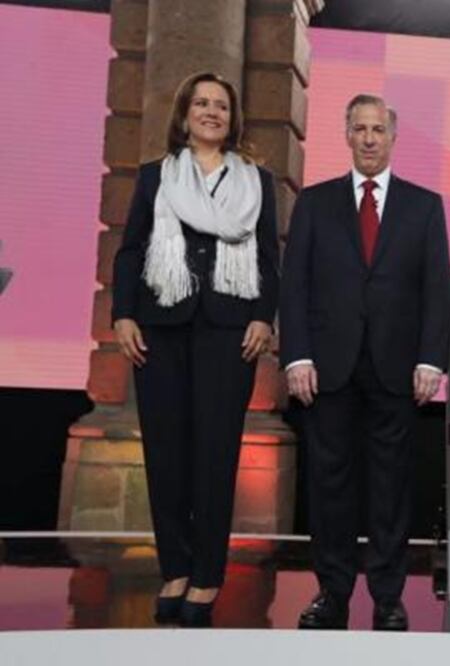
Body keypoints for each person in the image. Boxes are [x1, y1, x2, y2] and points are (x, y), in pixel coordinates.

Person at [112, 72, 279, 627]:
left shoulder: (258, 182)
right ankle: (175, 569)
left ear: (233, 120)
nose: (211, 112)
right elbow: (130, 250)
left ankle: (207, 576)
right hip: (160, 327)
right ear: (184, 115)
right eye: (202, 103)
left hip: (229, 332)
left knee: (214, 455)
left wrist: (262, 316)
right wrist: (123, 315)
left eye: (221, 106)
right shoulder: (156, 177)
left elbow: (269, 262)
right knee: (166, 455)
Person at [280, 94, 450, 631]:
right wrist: (297, 355)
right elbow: (295, 284)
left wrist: (431, 359)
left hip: (397, 368)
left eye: (379, 129)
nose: (371, 138)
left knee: (391, 487)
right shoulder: (314, 201)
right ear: (347, 135)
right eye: (361, 128)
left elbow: (437, 291)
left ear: (393, 137)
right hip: (326, 366)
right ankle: (332, 592)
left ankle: (387, 596)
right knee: (329, 484)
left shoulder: (425, 206)